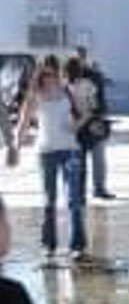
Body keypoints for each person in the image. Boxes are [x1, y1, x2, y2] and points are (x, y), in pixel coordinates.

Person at [16, 56, 87, 261]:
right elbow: (23, 121)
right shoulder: (34, 95)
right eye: (45, 73)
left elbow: (85, 113)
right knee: (49, 201)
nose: (49, 78)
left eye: (53, 73)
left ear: (58, 72)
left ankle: (77, 245)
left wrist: (76, 125)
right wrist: (16, 147)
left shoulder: (68, 91)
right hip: (45, 153)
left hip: (70, 150)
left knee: (73, 200)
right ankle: (49, 244)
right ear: (39, 73)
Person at [72, 47, 114, 200]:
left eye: (81, 57)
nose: (79, 60)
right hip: (77, 123)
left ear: (85, 58)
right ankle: (79, 191)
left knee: (99, 158)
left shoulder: (95, 75)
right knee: (79, 160)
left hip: (94, 121)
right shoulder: (67, 75)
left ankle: (99, 188)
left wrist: (100, 117)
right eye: (76, 58)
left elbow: (101, 99)